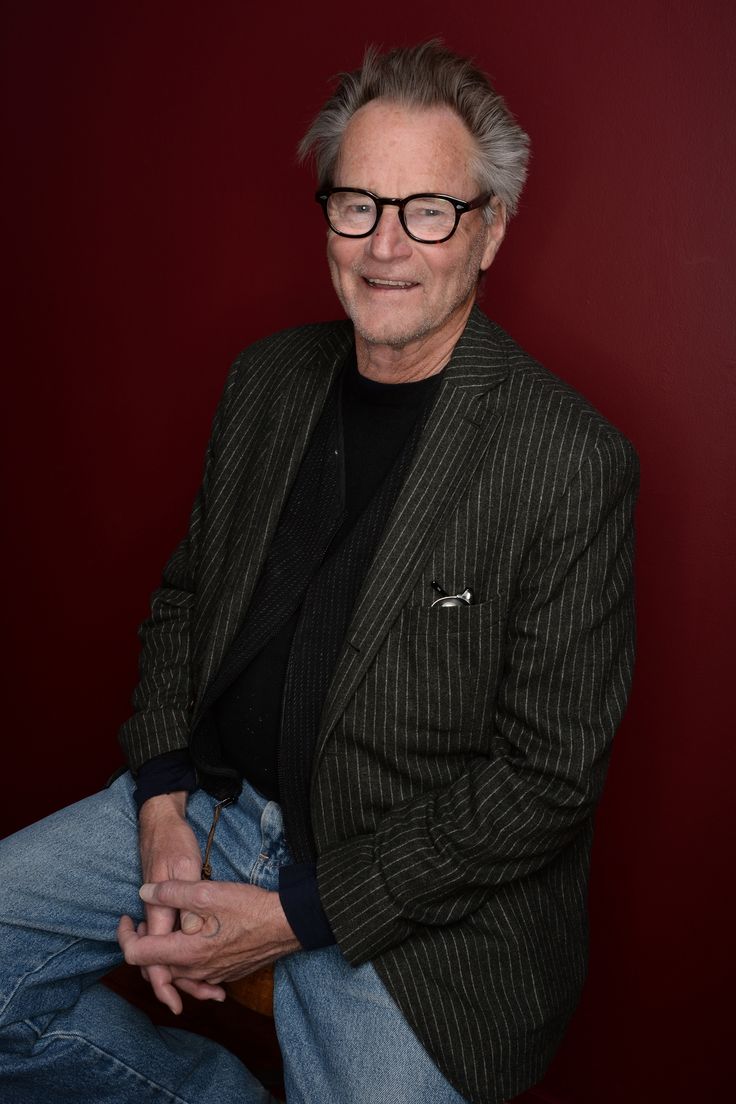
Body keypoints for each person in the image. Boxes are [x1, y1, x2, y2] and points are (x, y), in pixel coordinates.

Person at [0, 41, 638, 1104]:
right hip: (211, 806)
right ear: (328, 214)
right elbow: (185, 603)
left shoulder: (571, 462)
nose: (386, 246)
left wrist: (298, 915)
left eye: (428, 209)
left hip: (409, 899)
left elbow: (545, 778)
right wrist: (160, 798)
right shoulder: (265, 380)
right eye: (357, 204)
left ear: (488, 232)